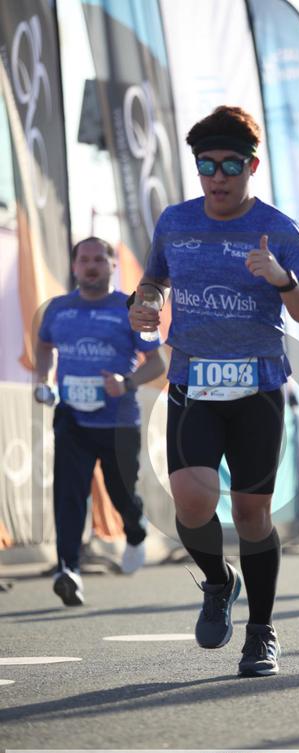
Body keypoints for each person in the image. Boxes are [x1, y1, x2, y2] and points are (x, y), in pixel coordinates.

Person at [129, 105, 299, 676]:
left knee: (251, 512)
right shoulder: (175, 221)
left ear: (251, 166)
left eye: (230, 165)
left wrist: (282, 280)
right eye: (207, 165)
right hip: (193, 381)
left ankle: (261, 632)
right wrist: (147, 303)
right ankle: (218, 582)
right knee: (191, 500)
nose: (218, 176)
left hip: (257, 388)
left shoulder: (281, 230)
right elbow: (154, 280)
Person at [35, 237, 165, 606]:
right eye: (84, 260)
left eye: (99, 259)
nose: (91, 266)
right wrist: (44, 380)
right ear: (74, 266)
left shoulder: (131, 308)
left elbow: (157, 363)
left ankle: (135, 532)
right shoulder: (58, 309)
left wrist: (126, 383)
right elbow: (43, 346)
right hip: (72, 418)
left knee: (121, 492)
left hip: (118, 422)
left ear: (112, 265)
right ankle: (69, 570)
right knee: (69, 495)